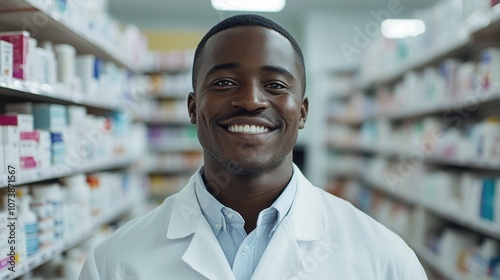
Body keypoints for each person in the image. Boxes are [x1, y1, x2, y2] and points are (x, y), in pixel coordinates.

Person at [79, 14, 428, 280]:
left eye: (275, 84)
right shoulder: (113, 263)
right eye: (225, 82)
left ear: (302, 112)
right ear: (192, 107)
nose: (250, 100)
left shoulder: (386, 260)